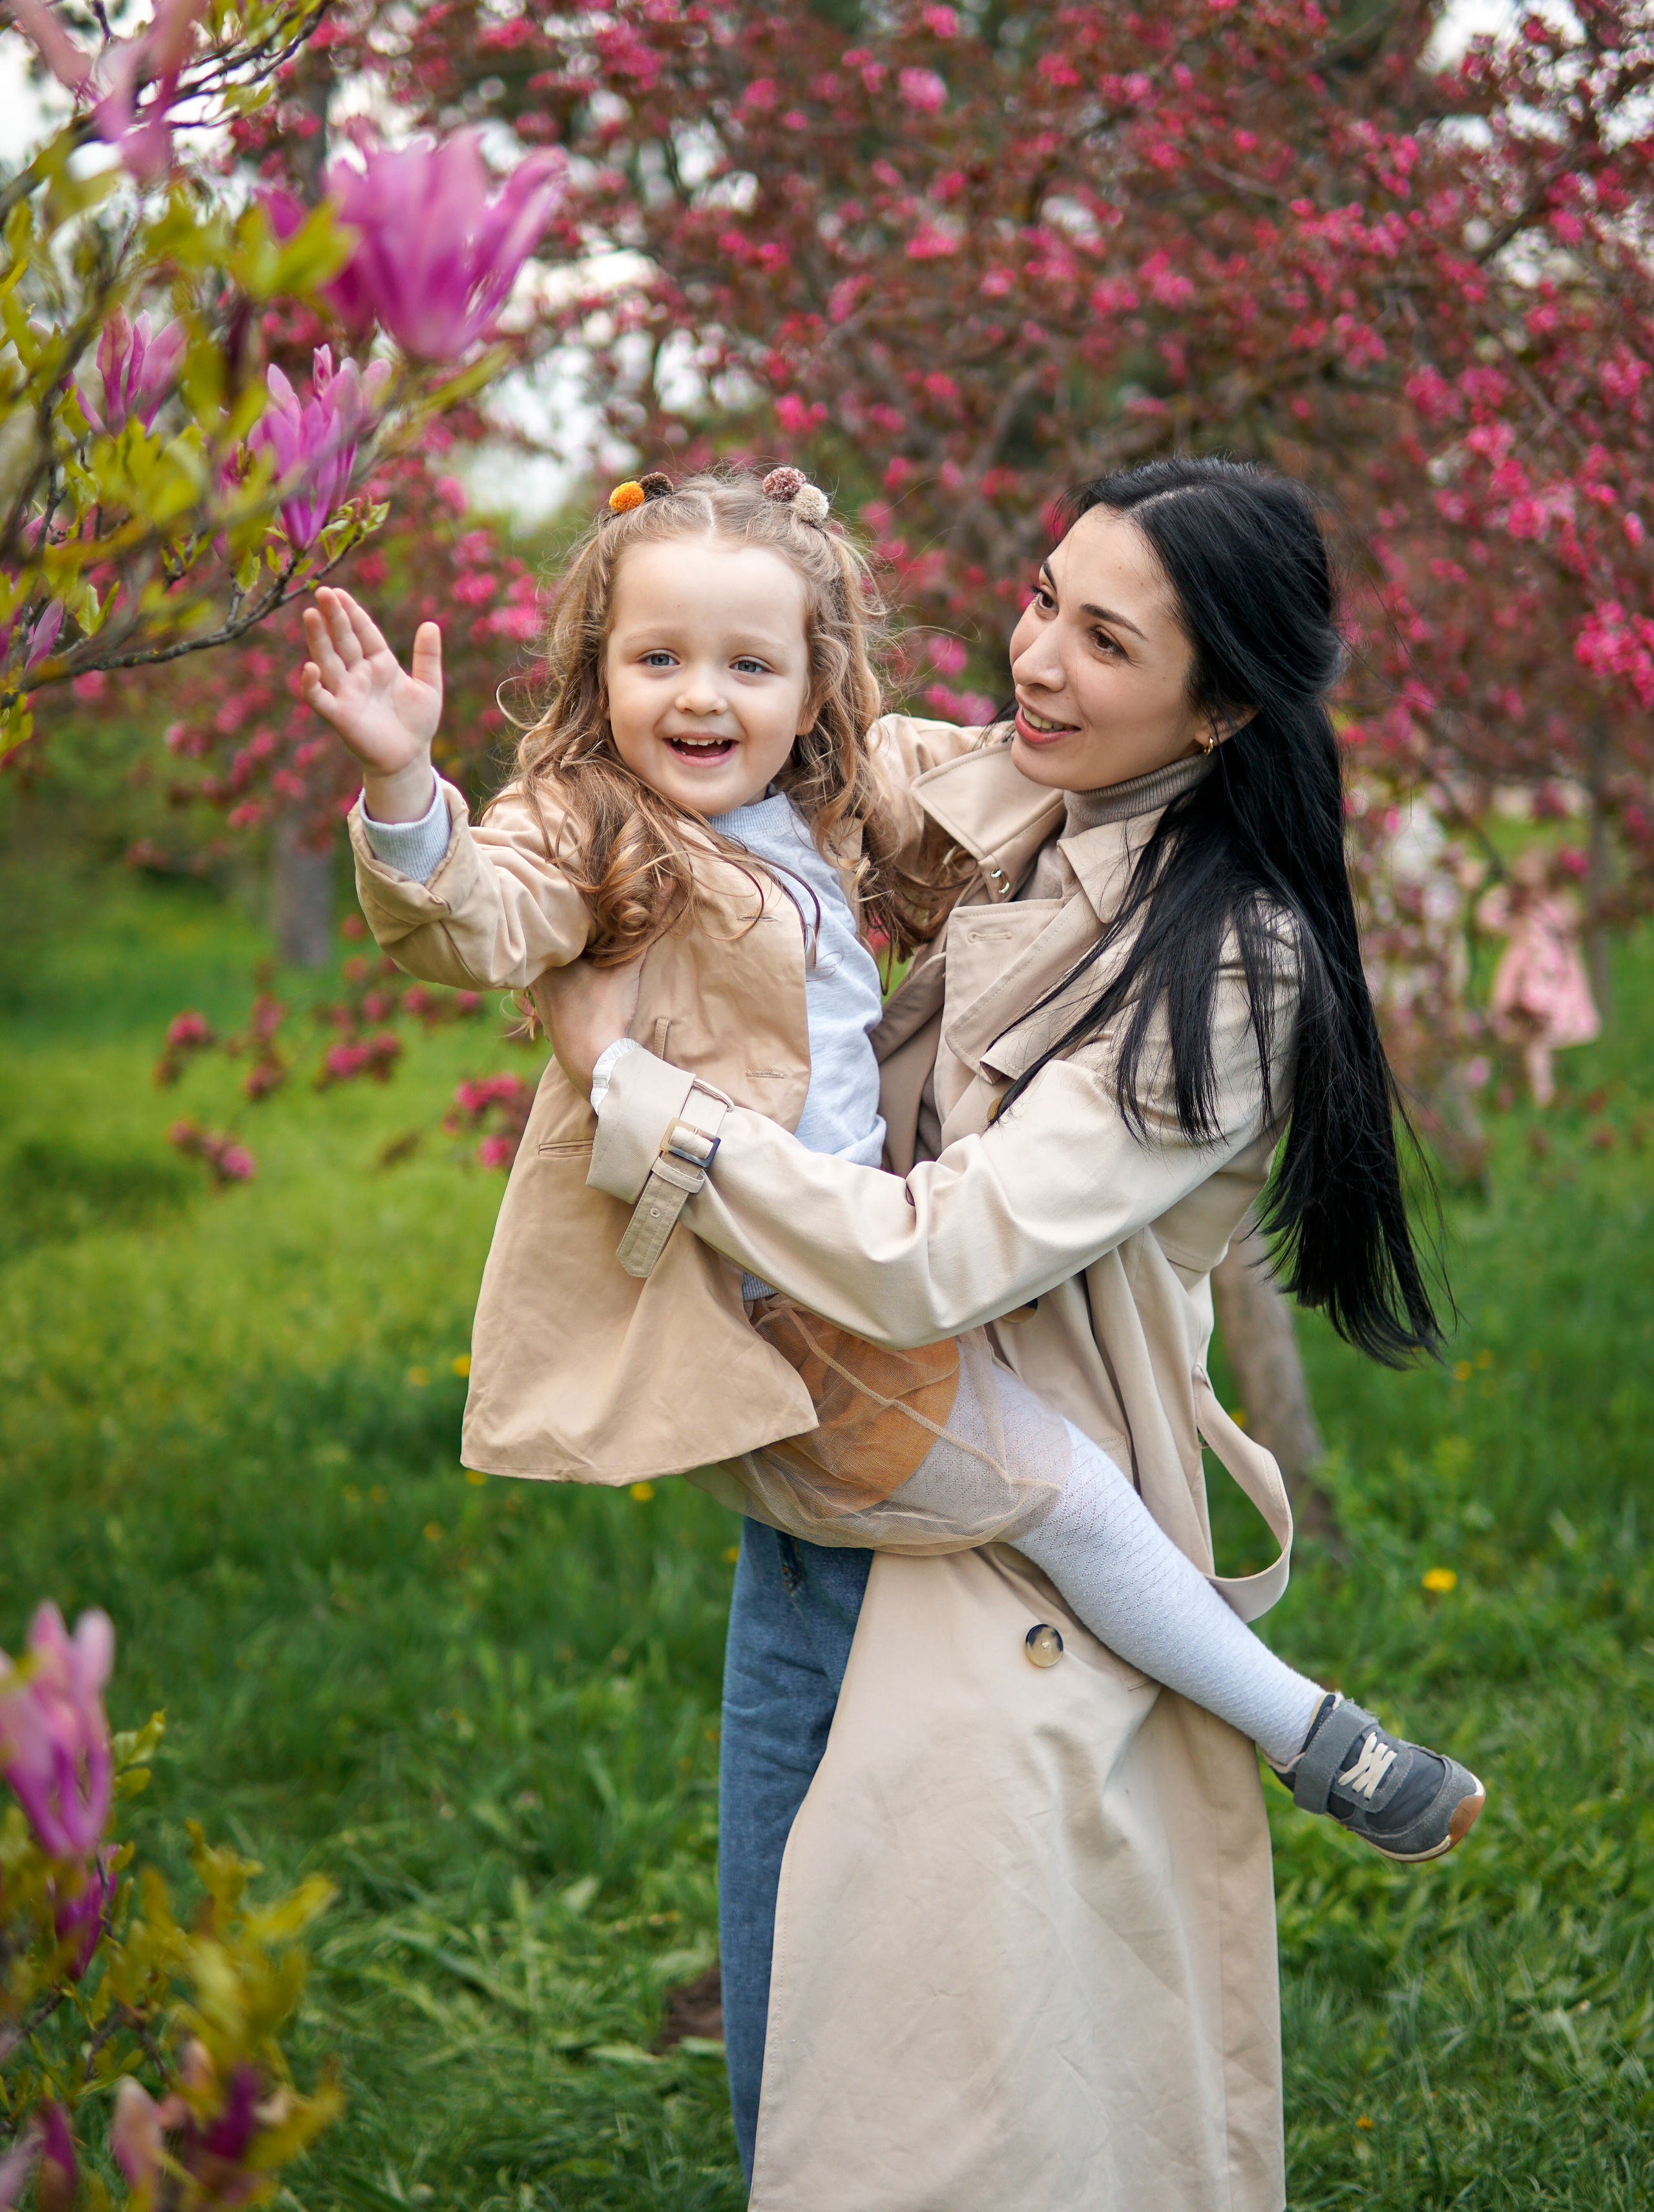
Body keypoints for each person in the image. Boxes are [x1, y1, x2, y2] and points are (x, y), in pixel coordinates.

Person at [535, 457, 1480, 2209]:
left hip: (1004, 1563)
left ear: (1219, 712)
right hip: (819, 1512)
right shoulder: (1029, 799)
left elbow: (926, 1259)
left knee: (944, 2119)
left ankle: (1320, 1735)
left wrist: (638, 1090)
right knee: (791, 2072)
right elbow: (807, 740)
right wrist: (764, 565)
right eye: (1044, 595)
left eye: (1104, 637)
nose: (1036, 657)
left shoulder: (1234, 964)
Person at [1479, 845, 1601, 1105]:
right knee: (1522, 1029)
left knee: (1538, 1032)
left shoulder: (1558, 904)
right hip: (1525, 975)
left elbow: (1572, 931)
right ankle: (1519, 1082)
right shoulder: (1516, 904)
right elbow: (1488, 917)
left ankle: (1541, 1089)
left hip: (1551, 976)